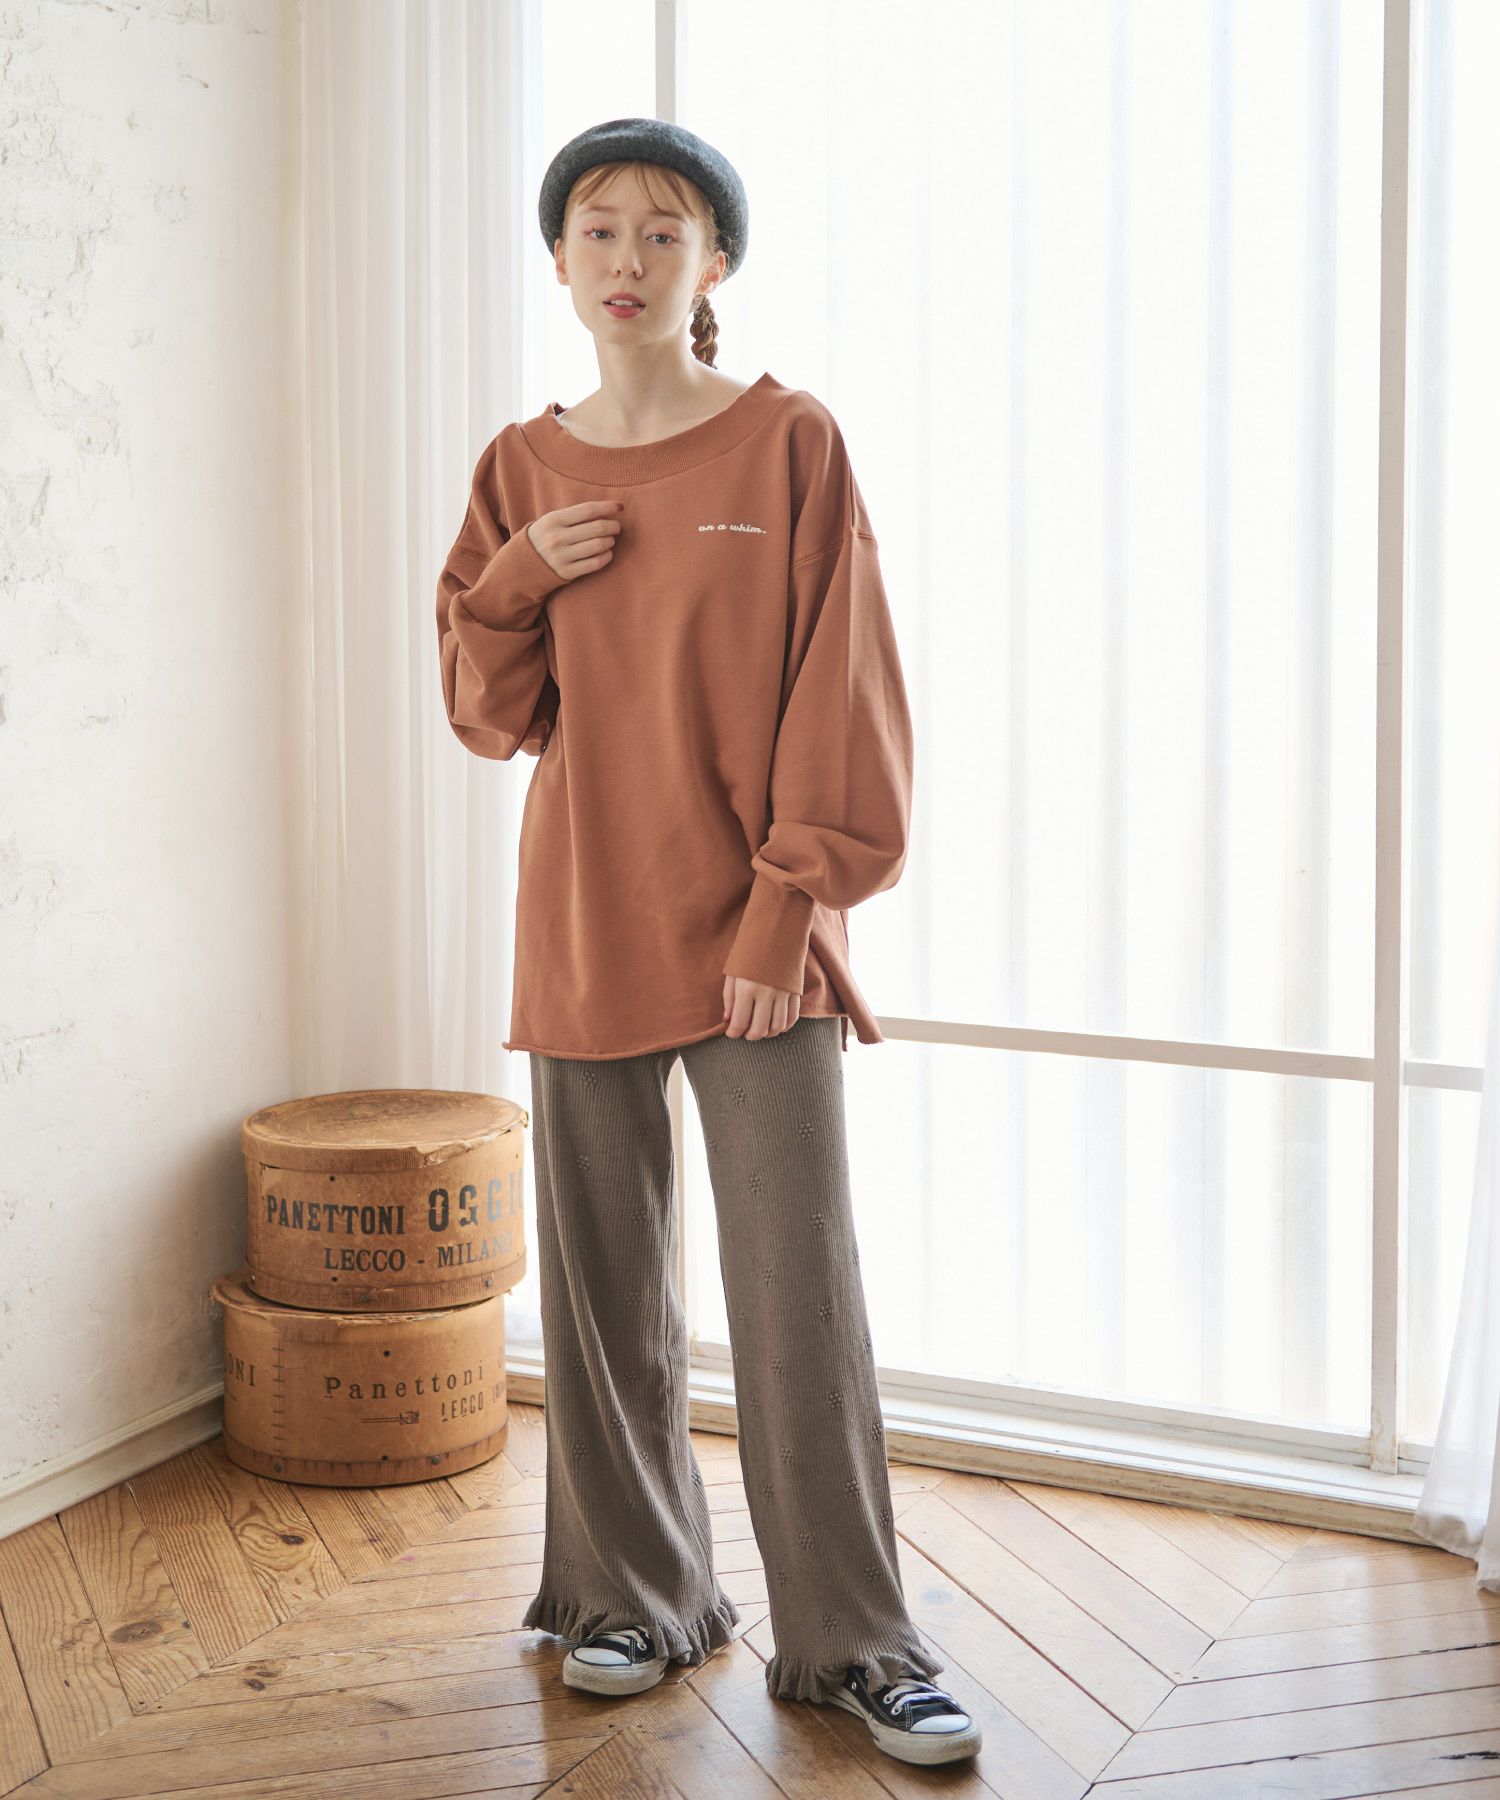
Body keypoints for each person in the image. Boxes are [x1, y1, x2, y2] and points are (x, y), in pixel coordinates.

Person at [434, 117, 981, 1768]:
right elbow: (489, 713)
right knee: (602, 1292)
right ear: (557, 261)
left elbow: (846, 689)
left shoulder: (790, 443)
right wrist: (512, 580)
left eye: (661, 232)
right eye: (597, 230)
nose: (626, 259)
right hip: (584, 914)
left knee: (796, 1288)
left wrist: (786, 909)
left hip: (758, 935)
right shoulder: (521, 468)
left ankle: (857, 1642)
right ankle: (630, 1599)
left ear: (713, 264)